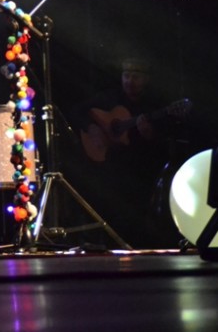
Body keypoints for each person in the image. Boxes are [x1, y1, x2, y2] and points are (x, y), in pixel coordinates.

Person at [69, 55, 192, 248]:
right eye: (126, 76)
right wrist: (91, 128)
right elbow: (77, 111)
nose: (129, 81)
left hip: (138, 171)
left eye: (135, 77)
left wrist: (149, 134)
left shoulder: (153, 105)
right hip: (109, 168)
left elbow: (162, 144)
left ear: (146, 79)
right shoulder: (110, 97)